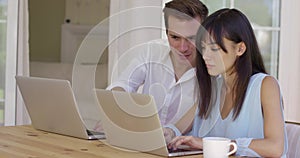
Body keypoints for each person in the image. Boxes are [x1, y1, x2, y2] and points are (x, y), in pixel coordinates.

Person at [166, 8, 288, 157]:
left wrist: (213, 144)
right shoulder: (214, 88)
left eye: (214, 49)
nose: (205, 56)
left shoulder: (265, 85)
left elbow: (275, 148)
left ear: (240, 48)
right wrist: (167, 133)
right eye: (203, 48)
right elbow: (177, 129)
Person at [94, 0, 208, 133]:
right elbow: (123, 84)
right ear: (166, 33)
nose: (182, 47)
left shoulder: (213, 68)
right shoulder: (152, 51)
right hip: (143, 140)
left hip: (184, 148)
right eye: (175, 37)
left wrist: (171, 133)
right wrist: (115, 113)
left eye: (191, 38)